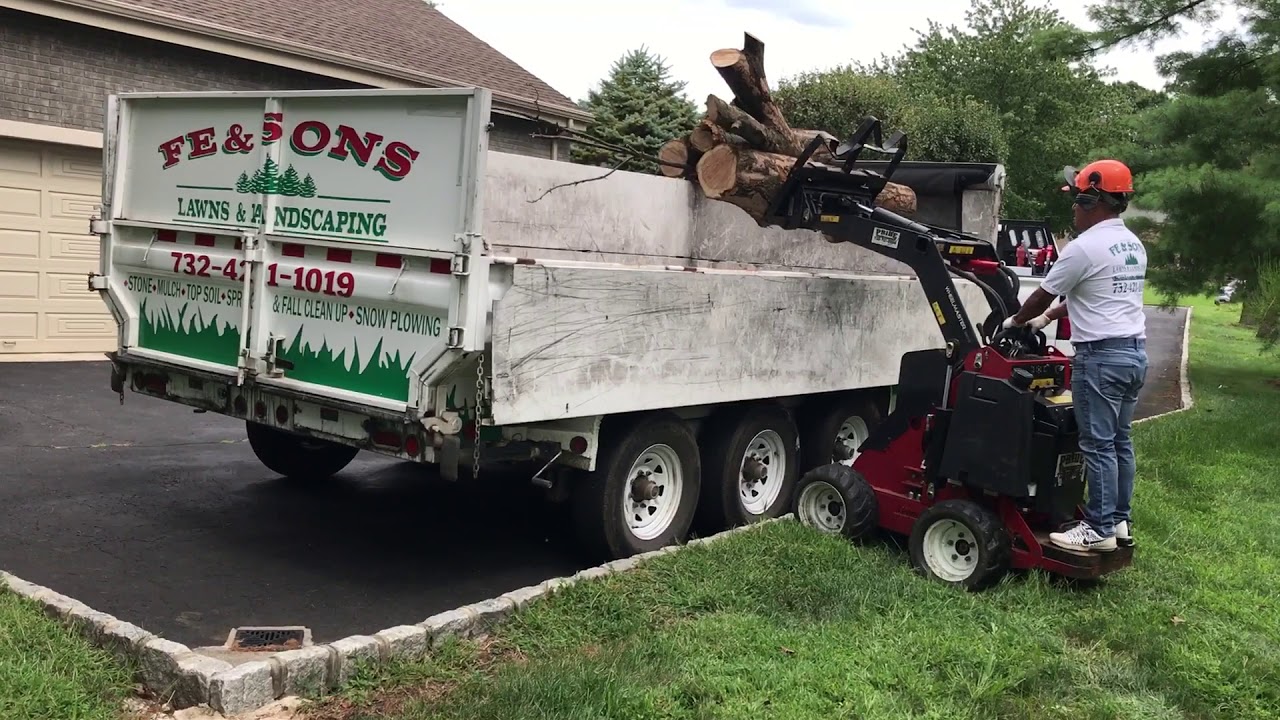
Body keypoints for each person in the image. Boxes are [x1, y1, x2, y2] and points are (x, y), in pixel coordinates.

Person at [1002, 159, 1148, 553]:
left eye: (1076, 198)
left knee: (1096, 445)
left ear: (1091, 198)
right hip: (1133, 355)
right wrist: (1048, 319)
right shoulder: (1130, 244)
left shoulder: (1083, 248)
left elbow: (1043, 292)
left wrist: (1016, 321)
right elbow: (1098, 292)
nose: (1072, 207)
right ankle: (1118, 521)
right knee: (1119, 442)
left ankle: (1097, 530)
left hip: (1100, 359)